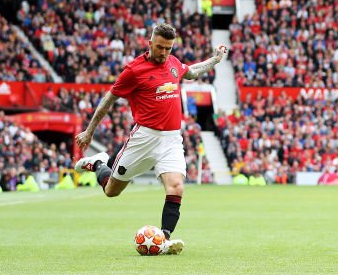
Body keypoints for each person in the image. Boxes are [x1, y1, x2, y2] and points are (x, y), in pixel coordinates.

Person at [73, 23, 228, 256]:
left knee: (176, 186)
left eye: (168, 48)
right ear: (150, 43)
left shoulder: (174, 63)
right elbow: (109, 99)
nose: (163, 52)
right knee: (112, 191)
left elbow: (193, 72)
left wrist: (215, 60)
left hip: (172, 139)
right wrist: (89, 131)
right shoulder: (134, 70)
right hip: (144, 138)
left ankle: (164, 239)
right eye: (159, 47)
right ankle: (97, 163)